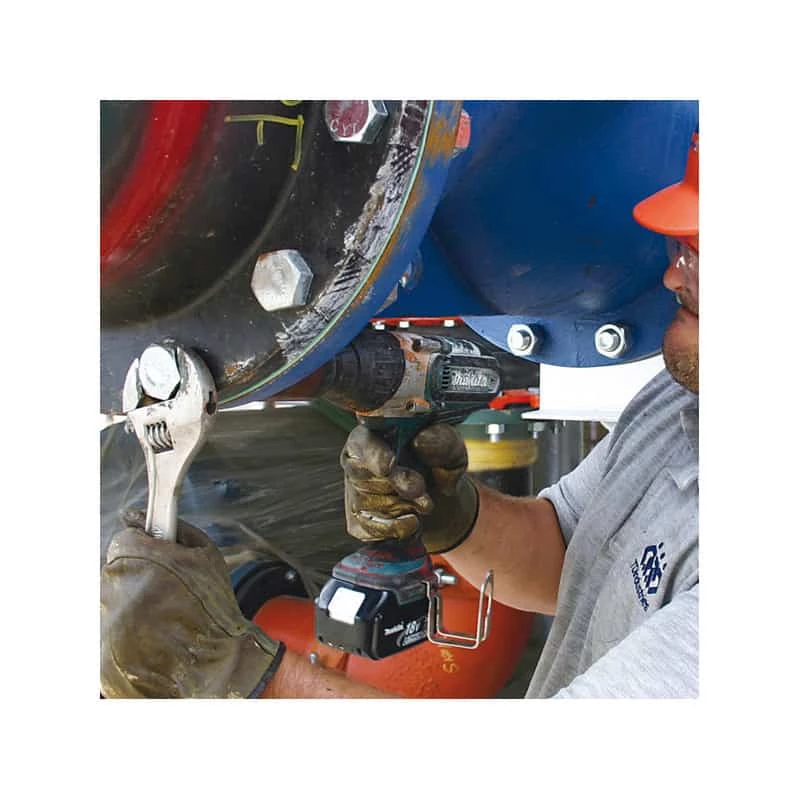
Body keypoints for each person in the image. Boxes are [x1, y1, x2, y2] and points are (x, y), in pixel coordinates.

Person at [100, 132, 699, 699]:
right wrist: (457, 517)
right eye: (683, 248)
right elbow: (568, 555)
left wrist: (231, 672)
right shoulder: (678, 403)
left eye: (702, 255)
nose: (674, 273)